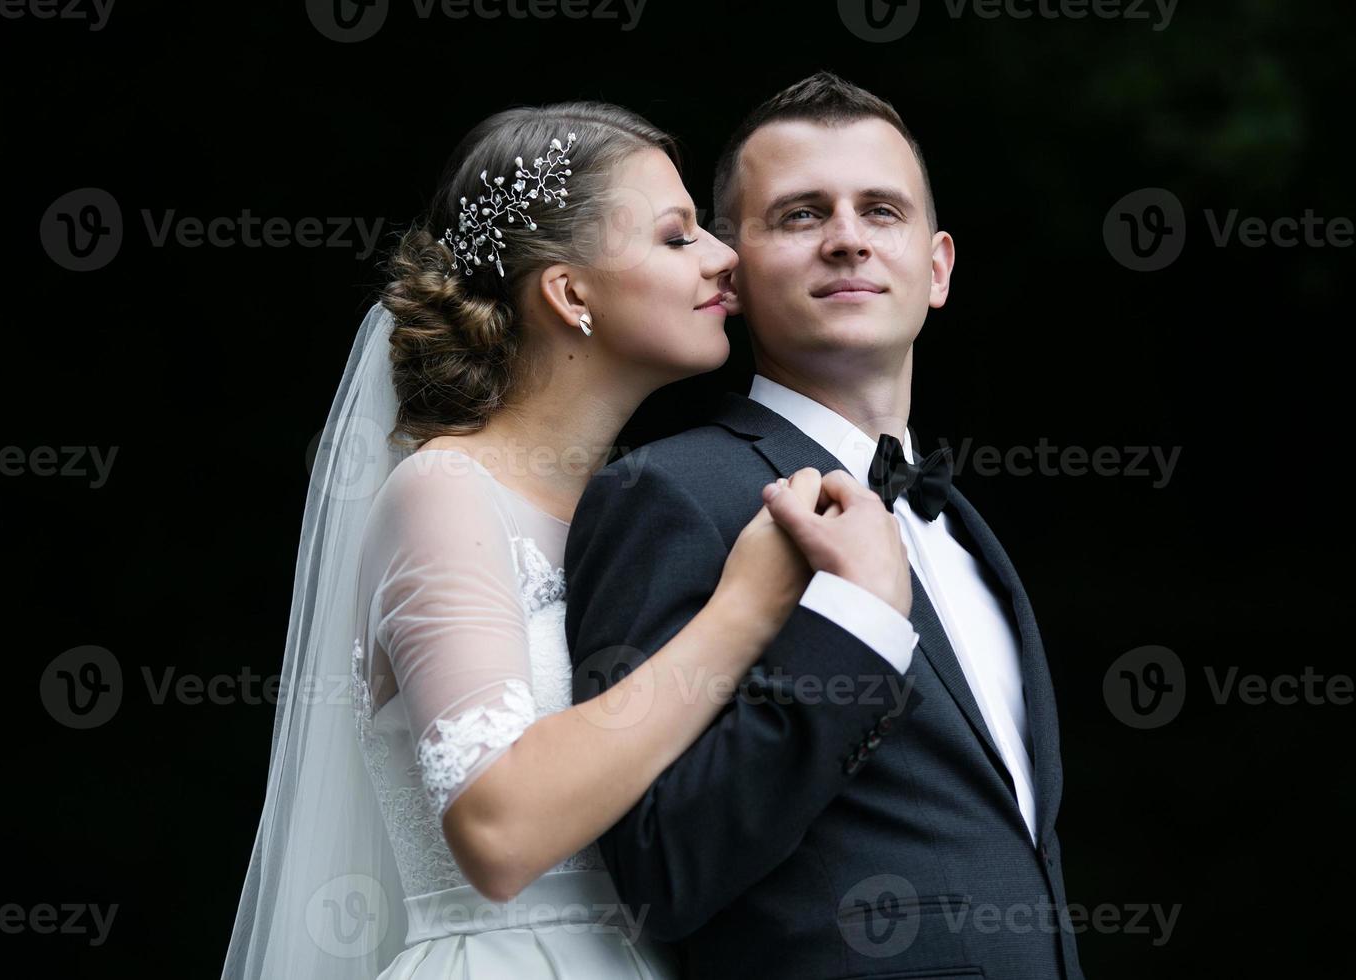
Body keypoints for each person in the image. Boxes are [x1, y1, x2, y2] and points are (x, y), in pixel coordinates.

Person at [221, 100, 910, 980]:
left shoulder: (634, 515)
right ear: (570, 293)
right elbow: (498, 828)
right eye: (677, 237)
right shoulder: (444, 492)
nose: (725, 257)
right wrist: (744, 608)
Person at [564, 73, 1085, 980]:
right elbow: (659, 870)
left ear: (938, 266)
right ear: (731, 269)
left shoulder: (965, 531)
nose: (848, 238)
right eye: (802, 215)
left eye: (882, 211)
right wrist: (854, 631)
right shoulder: (671, 493)